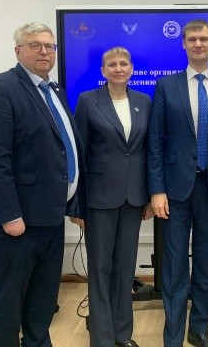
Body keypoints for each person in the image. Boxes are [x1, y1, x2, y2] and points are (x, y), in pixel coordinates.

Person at [0, 22, 86, 347]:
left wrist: (73, 203)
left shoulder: (55, 91)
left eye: (49, 46)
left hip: (50, 216)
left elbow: (64, 150)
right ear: (18, 51)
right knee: (9, 301)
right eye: (35, 45)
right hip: (18, 220)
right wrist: (10, 216)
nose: (44, 52)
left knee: (43, 299)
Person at [147, 19, 208, 347]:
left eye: (203, 38)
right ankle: (172, 336)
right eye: (192, 39)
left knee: (204, 262)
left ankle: (199, 328)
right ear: (184, 44)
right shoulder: (166, 86)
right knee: (174, 265)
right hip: (173, 190)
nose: (198, 44)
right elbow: (155, 143)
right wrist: (156, 189)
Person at [74, 47, 153, 347]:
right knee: (100, 268)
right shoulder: (88, 101)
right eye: (112, 64)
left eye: (123, 64)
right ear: (103, 71)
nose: (118, 68)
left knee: (124, 269)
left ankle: (122, 335)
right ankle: (102, 338)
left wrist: (149, 196)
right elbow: (80, 155)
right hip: (98, 199)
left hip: (133, 198)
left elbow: (147, 151)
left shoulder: (144, 101)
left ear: (131, 68)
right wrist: (78, 204)